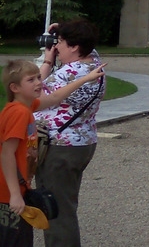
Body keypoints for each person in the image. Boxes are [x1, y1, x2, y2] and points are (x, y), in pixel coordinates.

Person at [0, 59, 105, 247]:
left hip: (14, 189)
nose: (39, 82)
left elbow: (55, 97)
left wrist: (86, 78)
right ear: (14, 87)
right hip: (7, 193)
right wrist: (15, 194)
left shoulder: (26, 106)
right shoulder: (19, 113)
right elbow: (7, 154)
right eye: (31, 80)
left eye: (38, 77)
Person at [35, 21, 106, 247]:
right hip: (82, 142)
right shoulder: (94, 64)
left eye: (61, 43)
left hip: (59, 148)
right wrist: (61, 29)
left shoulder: (70, 73)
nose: (57, 47)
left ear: (75, 47)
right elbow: (87, 41)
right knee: (66, 203)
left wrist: (47, 61)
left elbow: (31, 97)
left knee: (56, 210)